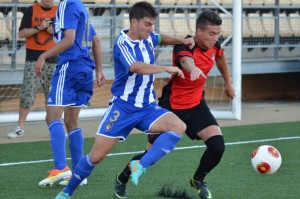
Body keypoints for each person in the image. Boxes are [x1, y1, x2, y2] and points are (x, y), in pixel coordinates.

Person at [54, 1, 195, 198]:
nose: (150, 29)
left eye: (152, 24)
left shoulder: (148, 37)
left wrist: (182, 40)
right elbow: (136, 67)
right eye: (147, 24)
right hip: (123, 109)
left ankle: (140, 166)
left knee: (178, 126)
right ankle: (67, 192)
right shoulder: (123, 43)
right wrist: (165, 68)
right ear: (134, 22)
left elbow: (161, 38)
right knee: (95, 157)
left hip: (147, 107)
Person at [114, 9, 235, 199]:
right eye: (211, 34)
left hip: (196, 106)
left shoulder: (215, 45)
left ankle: (197, 179)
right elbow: (185, 61)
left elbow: (220, 57)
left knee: (217, 146)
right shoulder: (185, 44)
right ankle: (123, 178)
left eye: (217, 34)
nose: (215, 38)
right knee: (149, 156)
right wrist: (193, 68)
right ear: (199, 32)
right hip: (171, 107)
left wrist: (228, 83)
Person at [34, 0, 106, 187]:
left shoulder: (67, 5)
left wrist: (43, 56)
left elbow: (69, 39)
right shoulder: (80, 6)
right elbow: (96, 40)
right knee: (71, 121)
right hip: (84, 69)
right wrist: (99, 69)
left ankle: (60, 168)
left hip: (70, 66)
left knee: (52, 117)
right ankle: (78, 173)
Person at [7, 0, 57, 139]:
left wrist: (54, 31)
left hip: (54, 60)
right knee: (27, 94)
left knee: (53, 97)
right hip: (32, 59)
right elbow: (21, 34)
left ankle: (55, 129)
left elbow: (66, 35)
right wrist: (39, 27)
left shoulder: (59, 11)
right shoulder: (31, 10)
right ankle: (20, 127)